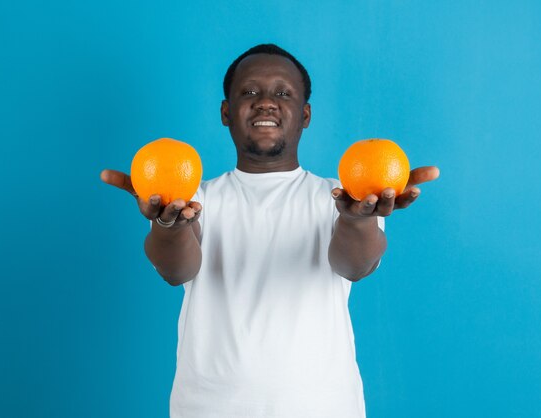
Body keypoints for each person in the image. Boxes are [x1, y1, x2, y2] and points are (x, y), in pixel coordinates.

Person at [101, 44, 439, 418]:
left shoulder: (346, 196)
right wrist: (168, 226)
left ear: (305, 114)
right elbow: (176, 271)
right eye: (249, 92)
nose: (265, 102)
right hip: (208, 408)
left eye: (283, 93)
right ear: (226, 113)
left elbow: (353, 266)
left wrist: (357, 220)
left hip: (323, 407)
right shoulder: (188, 196)